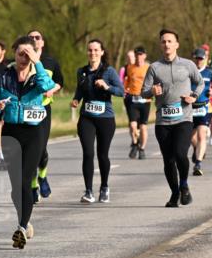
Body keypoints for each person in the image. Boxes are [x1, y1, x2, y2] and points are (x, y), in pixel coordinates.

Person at [0, 36, 55, 248]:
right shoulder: (4, 78)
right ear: (13, 54)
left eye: (27, 53)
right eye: (19, 53)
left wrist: (37, 63)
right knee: (16, 187)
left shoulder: (38, 75)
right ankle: (25, 220)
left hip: (34, 132)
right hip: (11, 133)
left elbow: (48, 86)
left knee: (24, 180)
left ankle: (21, 228)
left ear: (33, 55)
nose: (23, 57)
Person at [142, 29, 204, 207]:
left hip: (184, 118)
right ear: (160, 45)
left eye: (170, 41)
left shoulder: (187, 65)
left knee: (180, 153)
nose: (166, 44)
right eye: (163, 41)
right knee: (168, 159)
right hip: (163, 121)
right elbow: (144, 92)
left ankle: (184, 185)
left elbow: (200, 82)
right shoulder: (154, 67)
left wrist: (194, 95)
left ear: (176, 44)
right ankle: (174, 193)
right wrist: (152, 91)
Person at [70, 38, 124, 203]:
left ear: (101, 52)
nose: (92, 53)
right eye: (90, 50)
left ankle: (105, 187)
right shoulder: (82, 71)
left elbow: (121, 92)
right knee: (88, 153)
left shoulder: (109, 71)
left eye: (95, 50)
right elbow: (80, 89)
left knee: (102, 155)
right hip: (86, 117)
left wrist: (107, 87)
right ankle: (88, 191)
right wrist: (76, 99)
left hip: (105, 119)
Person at [28, 29, 64, 201]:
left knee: (41, 148)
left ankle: (42, 175)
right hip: (26, 111)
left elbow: (60, 82)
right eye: (31, 37)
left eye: (38, 37)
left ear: (42, 42)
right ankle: (33, 185)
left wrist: (52, 89)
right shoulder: (22, 60)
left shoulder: (50, 61)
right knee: (29, 150)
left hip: (43, 110)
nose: (34, 39)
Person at [189, 47, 212, 176]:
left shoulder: (210, 72)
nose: (199, 61)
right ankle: (197, 149)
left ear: (205, 59)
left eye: (201, 59)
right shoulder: (187, 72)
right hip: (189, 108)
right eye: (197, 58)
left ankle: (198, 163)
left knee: (201, 134)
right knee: (190, 137)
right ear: (193, 58)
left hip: (205, 108)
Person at [123, 46, 151, 160]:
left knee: (143, 127)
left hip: (145, 101)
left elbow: (154, 81)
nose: (139, 57)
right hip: (133, 99)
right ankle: (135, 143)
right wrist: (126, 89)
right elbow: (127, 81)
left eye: (141, 55)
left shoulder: (149, 68)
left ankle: (142, 148)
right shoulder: (130, 67)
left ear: (144, 56)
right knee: (133, 125)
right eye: (137, 55)